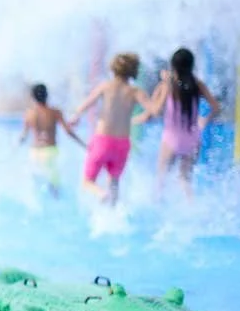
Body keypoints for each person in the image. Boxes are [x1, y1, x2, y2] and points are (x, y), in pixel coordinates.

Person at [132, 47, 221, 200]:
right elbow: (216, 107)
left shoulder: (167, 85)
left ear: (172, 66)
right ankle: (191, 206)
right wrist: (204, 120)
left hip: (171, 140)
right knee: (185, 179)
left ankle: (157, 204)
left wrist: (132, 120)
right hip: (193, 139)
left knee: (161, 179)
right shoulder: (197, 85)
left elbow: (155, 111)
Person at [68, 53, 151, 205]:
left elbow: (87, 103)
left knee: (87, 181)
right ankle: (113, 212)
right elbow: (153, 110)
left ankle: (101, 194)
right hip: (122, 144)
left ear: (113, 69)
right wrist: (144, 115)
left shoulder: (106, 86)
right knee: (114, 182)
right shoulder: (135, 91)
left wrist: (75, 116)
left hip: (103, 141)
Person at [20, 83, 86, 197]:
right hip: (50, 152)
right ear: (47, 95)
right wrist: (84, 144)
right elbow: (68, 132)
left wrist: (15, 146)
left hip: (34, 153)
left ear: (33, 97)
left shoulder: (29, 114)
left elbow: (23, 136)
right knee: (55, 187)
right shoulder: (55, 112)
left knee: (37, 186)